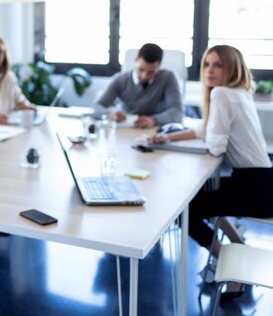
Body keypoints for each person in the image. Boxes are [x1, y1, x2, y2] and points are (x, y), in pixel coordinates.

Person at [150, 45, 273, 299]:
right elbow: (206, 129)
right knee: (203, 198)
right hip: (261, 183)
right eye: (206, 64)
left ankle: (231, 267)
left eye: (218, 65)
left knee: (183, 211)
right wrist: (170, 136)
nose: (209, 70)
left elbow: (215, 146)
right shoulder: (239, 92)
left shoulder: (221, 94)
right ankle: (237, 247)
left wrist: (187, 143)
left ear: (231, 68)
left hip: (255, 189)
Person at [92, 43, 183, 128]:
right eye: (141, 69)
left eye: (150, 72)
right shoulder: (120, 79)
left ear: (159, 66)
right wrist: (109, 114)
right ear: (135, 60)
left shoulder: (168, 77)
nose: (144, 76)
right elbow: (97, 106)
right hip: (126, 128)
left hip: (155, 130)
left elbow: (177, 111)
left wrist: (154, 120)